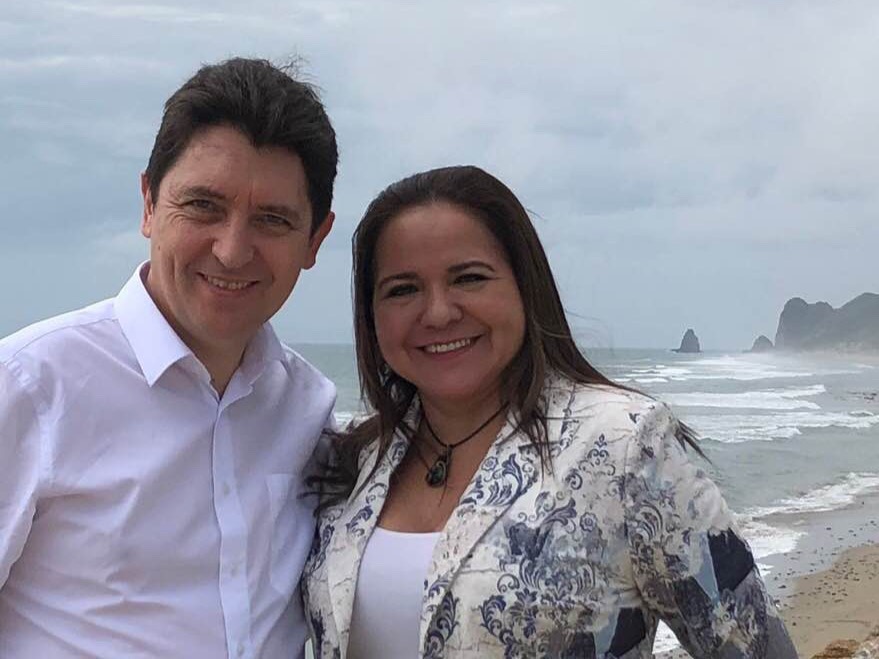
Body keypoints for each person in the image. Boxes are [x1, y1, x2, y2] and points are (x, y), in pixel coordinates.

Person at [303, 165, 798, 658]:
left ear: (525, 287)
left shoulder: (624, 446)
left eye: (469, 278)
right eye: (402, 289)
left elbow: (756, 647)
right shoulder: (355, 460)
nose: (437, 312)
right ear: (371, 314)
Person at [0, 58, 338, 658]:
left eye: (272, 220)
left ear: (315, 240)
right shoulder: (30, 385)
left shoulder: (310, 409)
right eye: (203, 206)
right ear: (149, 204)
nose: (232, 251)